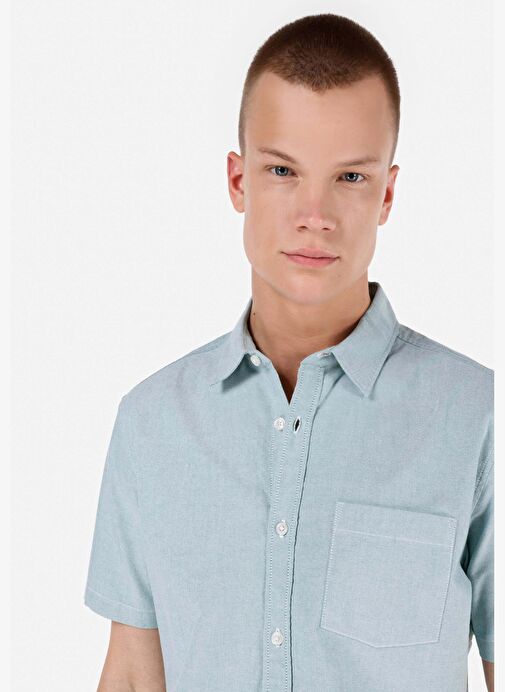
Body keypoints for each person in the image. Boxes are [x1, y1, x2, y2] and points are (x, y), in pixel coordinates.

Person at [83, 13, 494, 692]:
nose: (315, 215)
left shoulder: (477, 418)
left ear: (387, 194)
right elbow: (131, 673)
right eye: (282, 170)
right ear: (238, 182)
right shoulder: (151, 423)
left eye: (350, 177)